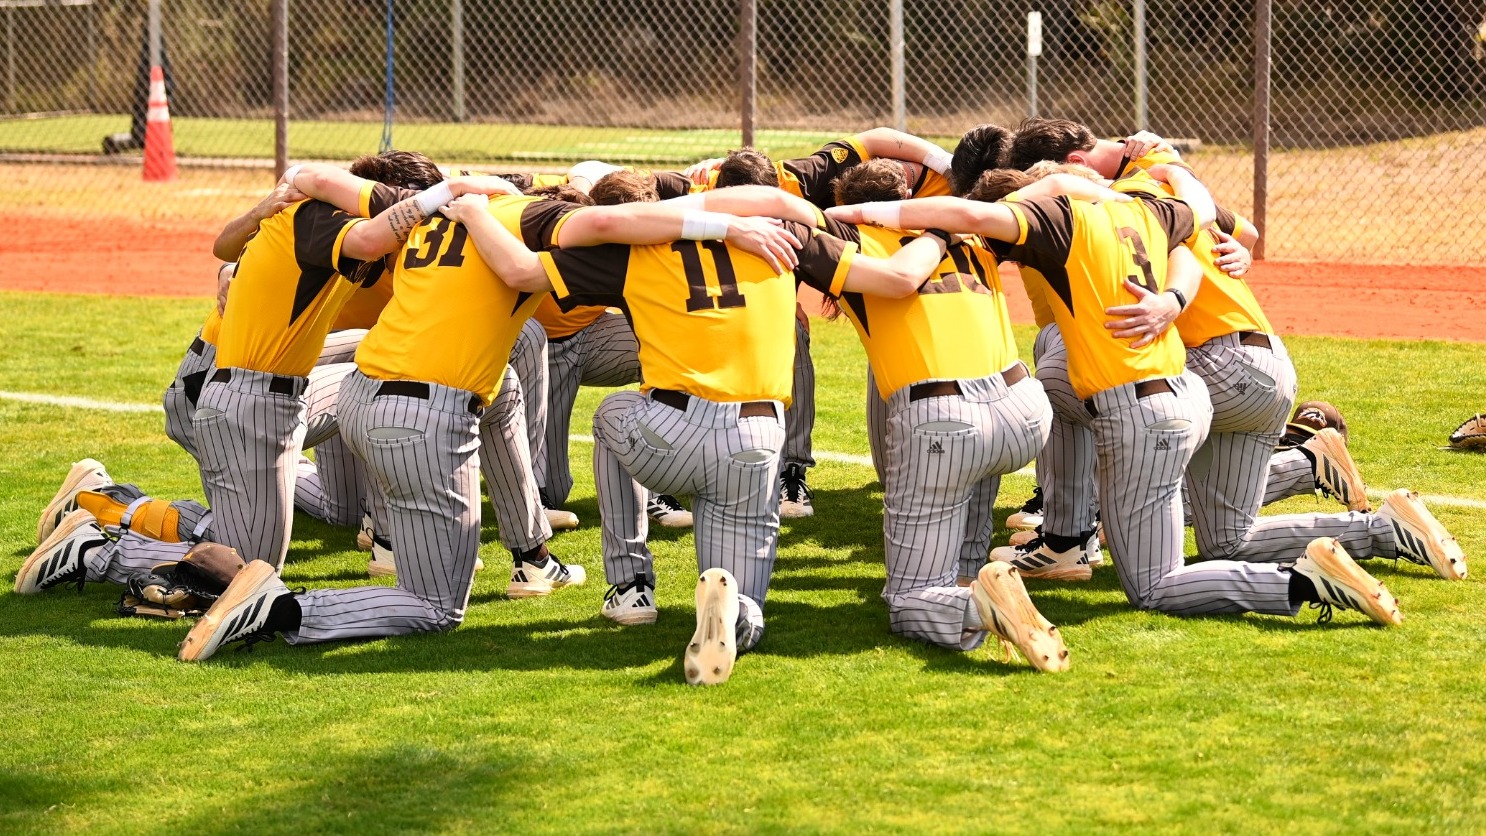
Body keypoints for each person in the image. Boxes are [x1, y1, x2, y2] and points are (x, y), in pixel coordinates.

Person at [174, 191, 801, 665]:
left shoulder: (449, 211)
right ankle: (273, 607)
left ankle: (512, 553)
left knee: (497, 394)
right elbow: (596, 231)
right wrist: (720, 224)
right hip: (417, 415)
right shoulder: (531, 223)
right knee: (435, 606)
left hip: (362, 395)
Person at [827, 164, 1412, 627]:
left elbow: (966, 213)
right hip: (1191, 395)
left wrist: (866, 211)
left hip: (1141, 408)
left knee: (1155, 584)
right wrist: (1173, 302)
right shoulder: (1145, 210)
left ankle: (1300, 581)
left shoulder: (1063, 223)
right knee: (1216, 527)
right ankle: (1376, 528)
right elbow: (1201, 219)